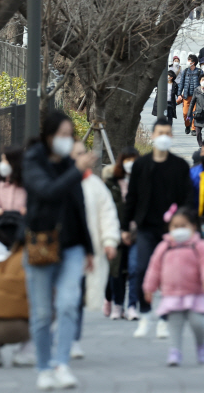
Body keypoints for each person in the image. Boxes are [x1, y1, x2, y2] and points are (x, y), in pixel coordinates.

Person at [22, 110, 97, 389]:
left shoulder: (68, 164)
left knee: (67, 304)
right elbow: (47, 191)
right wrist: (76, 172)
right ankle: (43, 368)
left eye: (70, 136)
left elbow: (80, 207)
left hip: (73, 246)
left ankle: (61, 363)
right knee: (42, 313)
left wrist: (89, 248)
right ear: (49, 135)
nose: (67, 141)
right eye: (62, 135)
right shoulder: (33, 161)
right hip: (42, 243)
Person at [124, 120, 193, 339]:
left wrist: (187, 225)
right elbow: (131, 198)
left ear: (171, 137)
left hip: (171, 230)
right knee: (142, 269)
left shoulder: (180, 166)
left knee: (169, 275)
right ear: (153, 136)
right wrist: (125, 227)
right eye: (160, 133)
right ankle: (145, 315)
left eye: (167, 133)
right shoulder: (141, 165)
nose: (163, 137)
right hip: (145, 227)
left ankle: (164, 319)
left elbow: (188, 199)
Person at [142, 206, 204, 366]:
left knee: (198, 323)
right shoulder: (165, 246)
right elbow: (154, 268)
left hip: (194, 293)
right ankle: (174, 351)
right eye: (175, 226)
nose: (178, 230)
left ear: (193, 226)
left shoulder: (199, 246)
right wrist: (149, 288)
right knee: (174, 325)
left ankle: (201, 345)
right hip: (171, 294)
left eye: (183, 226)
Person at [70, 142, 120, 360]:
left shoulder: (94, 184)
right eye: (76, 154)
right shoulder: (54, 181)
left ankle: (72, 340)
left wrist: (109, 240)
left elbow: (107, 213)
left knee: (76, 297)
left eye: (83, 153)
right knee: (62, 299)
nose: (82, 158)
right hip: (58, 251)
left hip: (85, 253)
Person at [103, 147, 140, 321]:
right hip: (115, 231)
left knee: (133, 269)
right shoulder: (111, 183)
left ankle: (132, 305)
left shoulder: (143, 182)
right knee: (116, 270)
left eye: (134, 160)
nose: (130, 164)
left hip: (136, 232)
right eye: (127, 159)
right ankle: (117, 305)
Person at [0, 146, 27, 218]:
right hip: (2, 221)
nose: (3, 163)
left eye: (6, 160)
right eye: (2, 160)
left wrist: (28, 210)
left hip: (23, 222)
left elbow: (36, 199)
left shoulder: (28, 178)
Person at [179, 55, 203, 135]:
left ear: (193, 62)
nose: (188, 62)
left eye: (189, 60)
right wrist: (179, 94)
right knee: (185, 113)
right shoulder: (185, 71)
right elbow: (181, 83)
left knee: (194, 113)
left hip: (196, 97)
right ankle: (187, 125)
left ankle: (193, 128)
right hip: (186, 96)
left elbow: (202, 83)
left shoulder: (199, 71)